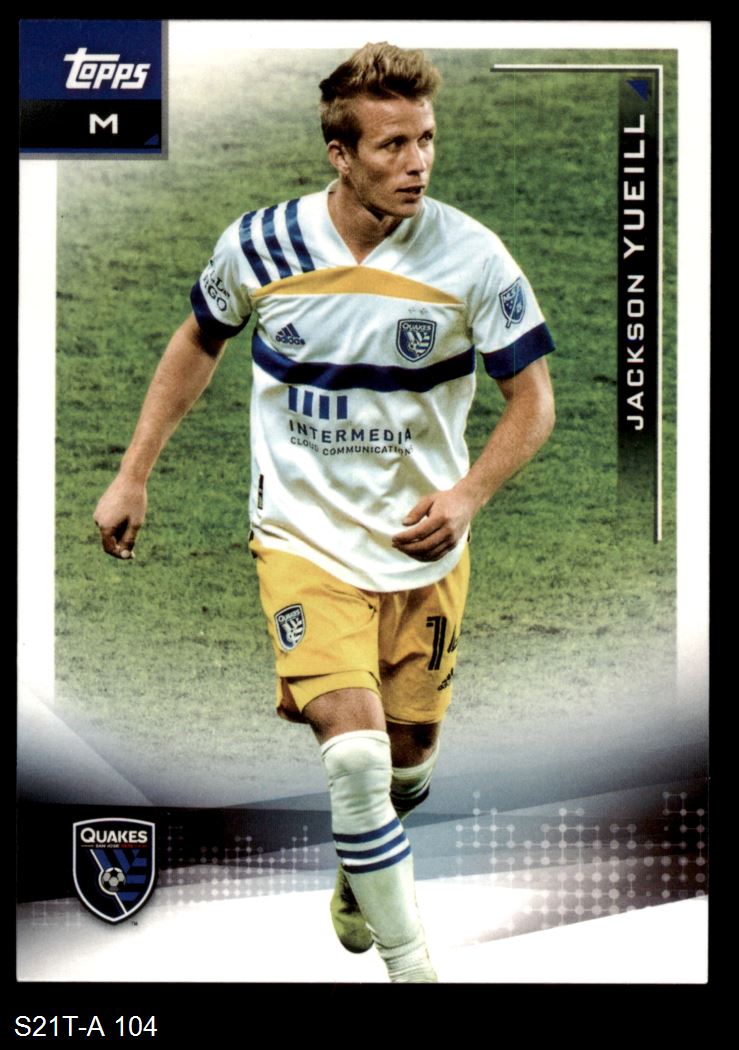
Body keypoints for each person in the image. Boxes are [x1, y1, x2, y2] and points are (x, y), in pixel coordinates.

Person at [94, 42, 556, 983]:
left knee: (405, 766)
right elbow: (198, 339)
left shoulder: (472, 257)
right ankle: (412, 966)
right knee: (352, 760)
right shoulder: (260, 244)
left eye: (426, 140)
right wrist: (133, 473)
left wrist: (466, 495)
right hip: (300, 539)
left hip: (420, 550)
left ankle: (361, 866)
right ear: (340, 156)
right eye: (392, 145)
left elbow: (533, 403)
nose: (417, 163)